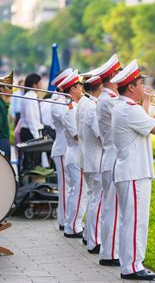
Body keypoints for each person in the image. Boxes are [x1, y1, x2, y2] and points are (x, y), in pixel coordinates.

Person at [111, 60, 155, 280]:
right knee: (135, 222)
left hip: (131, 172)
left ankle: (130, 263)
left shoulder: (126, 108)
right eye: (140, 83)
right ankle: (132, 266)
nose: (143, 88)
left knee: (131, 220)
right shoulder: (128, 110)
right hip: (133, 173)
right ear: (131, 87)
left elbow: (148, 123)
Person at [93, 54, 123, 266]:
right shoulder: (109, 100)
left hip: (109, 156)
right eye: (120, 74)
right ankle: (110, 253)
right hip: (113, 156)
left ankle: (110, 250)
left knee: (110, 206)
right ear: (113, 76)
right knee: (112, 208)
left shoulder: (106, 98)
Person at [58, 70, 87, 238]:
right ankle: (73, 226)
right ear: (74, 88)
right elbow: (77, 135)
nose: (82, 88)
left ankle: (72, 224)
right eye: (80, 85)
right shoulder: (70, 110)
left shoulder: (75, 107)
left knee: (77, 192)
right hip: (76, 154)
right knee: (79, 192)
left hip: (76, 155)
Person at [80, 75, 104, 254]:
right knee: (97, 199)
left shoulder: (83, 103)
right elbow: (101, 134)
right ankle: (94, 241)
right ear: (100, 87)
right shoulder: (92, 107)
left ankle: (89, 235)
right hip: (95, 159)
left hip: (88, 158)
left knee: (93, 198)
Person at [50, 68, 73, 231]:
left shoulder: (66, 100)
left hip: (68, 148)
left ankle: (69, 218)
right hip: (63, 148)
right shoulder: (58, 100)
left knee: (71, 187)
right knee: (65, 187)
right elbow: (68, 120)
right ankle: (64, 220)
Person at [20, 73, 43, 170]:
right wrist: (37, 137)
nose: (42, 85)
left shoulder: (32, 96)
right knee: (31, 162)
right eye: (40, 83)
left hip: (32, 130)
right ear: (34, 85)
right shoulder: (30, 97)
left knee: (34, 160)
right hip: (29, 131)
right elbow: (31, 119)